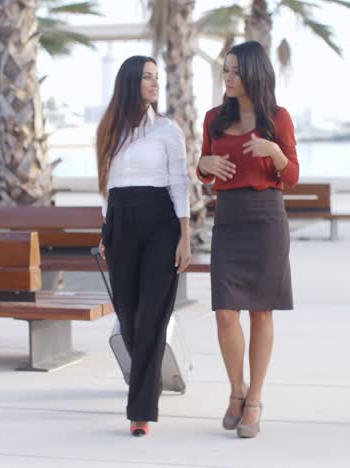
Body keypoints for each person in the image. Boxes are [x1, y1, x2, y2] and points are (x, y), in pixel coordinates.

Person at [196, 41, 299, 439]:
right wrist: (202, 165)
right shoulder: (213, 118)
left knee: (261, 311)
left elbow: (290, 177)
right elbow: (204, 167)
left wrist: (272, 149)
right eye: (226, 70)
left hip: (267, 219)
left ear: (254, 72)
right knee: (225, 311)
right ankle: (235, 390)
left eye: (236, 70)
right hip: (229, 218)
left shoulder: (278, 118)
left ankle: (253, 399)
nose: (229, 77)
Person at [96, 55, 191, 437]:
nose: (155, 83)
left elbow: (180, 184)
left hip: (160, 224)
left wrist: (184, 236)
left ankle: (140, 410)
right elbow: (105, 185)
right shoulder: (108, 130)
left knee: (152, 314)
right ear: (130, 82)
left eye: (157, 77)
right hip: (120, 222)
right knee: (130, 316)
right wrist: (105, 231)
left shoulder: (168, 130)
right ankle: (147, 382)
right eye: (147, 77)